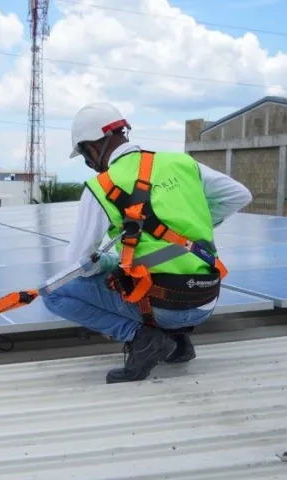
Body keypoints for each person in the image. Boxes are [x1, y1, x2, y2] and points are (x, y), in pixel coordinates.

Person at [42, 102, 252, 384]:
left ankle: (140, 337)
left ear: (92, 146)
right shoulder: (182, 163)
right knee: (147, 268)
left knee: (55, 292)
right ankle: (178, 341)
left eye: (84, 156)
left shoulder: (102, 186)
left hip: (160, 306)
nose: (89, 165)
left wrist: (108, 261)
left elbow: (79, 264)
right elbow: (240, 196)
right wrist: (192, 229)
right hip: (205, 301)